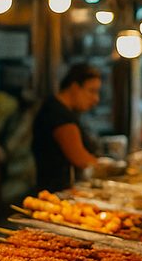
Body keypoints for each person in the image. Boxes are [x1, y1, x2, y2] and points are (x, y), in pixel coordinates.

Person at [31, 63, 102, 193]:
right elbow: (80, 159)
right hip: (56, 193)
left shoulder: (61, 110)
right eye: (92, 91)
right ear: (74, 87)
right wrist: (110, 168)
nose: (96, 99)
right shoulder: (58, 114)